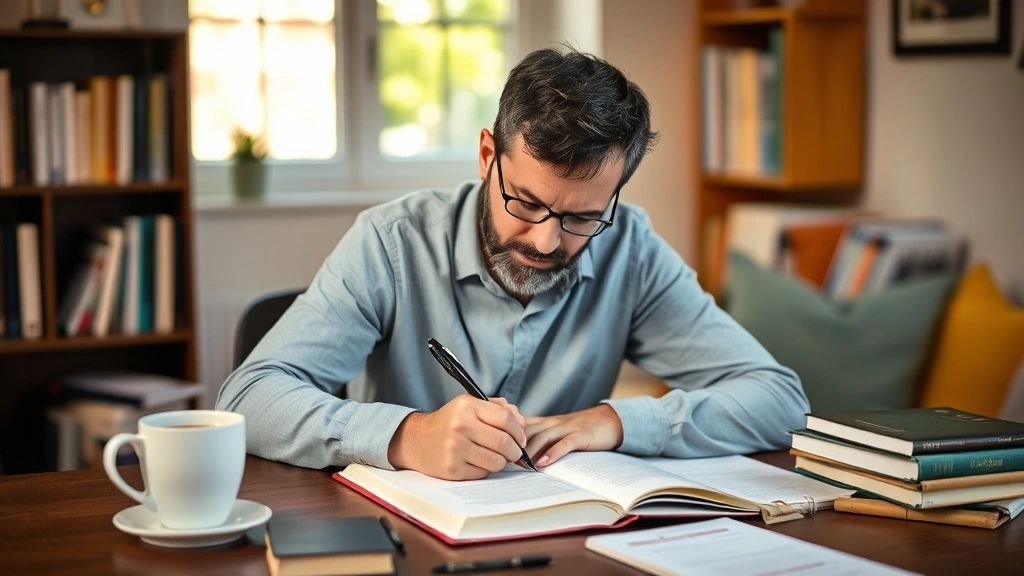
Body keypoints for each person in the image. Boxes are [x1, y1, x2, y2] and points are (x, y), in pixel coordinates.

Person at [217, 47, 808, 480]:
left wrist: (615, 422)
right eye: (525, 202)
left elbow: (780, 401)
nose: (547, 241)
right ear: (485, 156)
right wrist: (405, 435)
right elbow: (248, 396)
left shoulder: (630, 247)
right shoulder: (391, 242)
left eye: (581, 217)